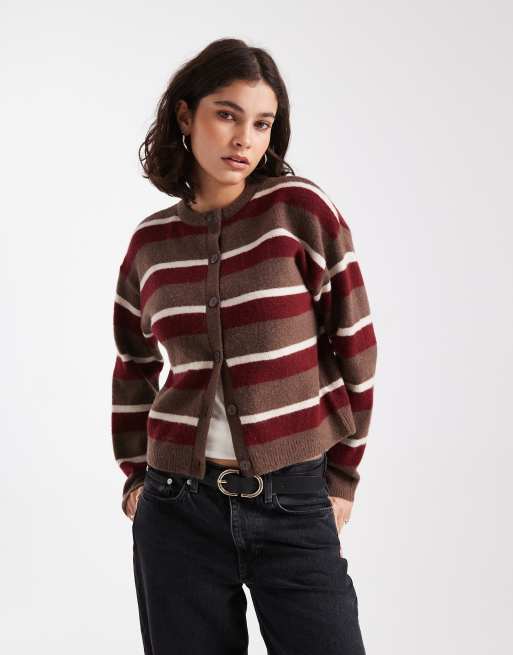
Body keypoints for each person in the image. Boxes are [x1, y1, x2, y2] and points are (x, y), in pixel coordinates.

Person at [111, 37, 377, 655]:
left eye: (262, 123)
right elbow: (133, 364)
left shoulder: (300, 211)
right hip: (177, 505)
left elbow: (355, 345)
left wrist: (342, 477)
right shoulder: (150, 244)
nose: (244, 139)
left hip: (294, 496)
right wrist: (136, 476)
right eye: (227, 115)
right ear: (186, 116)